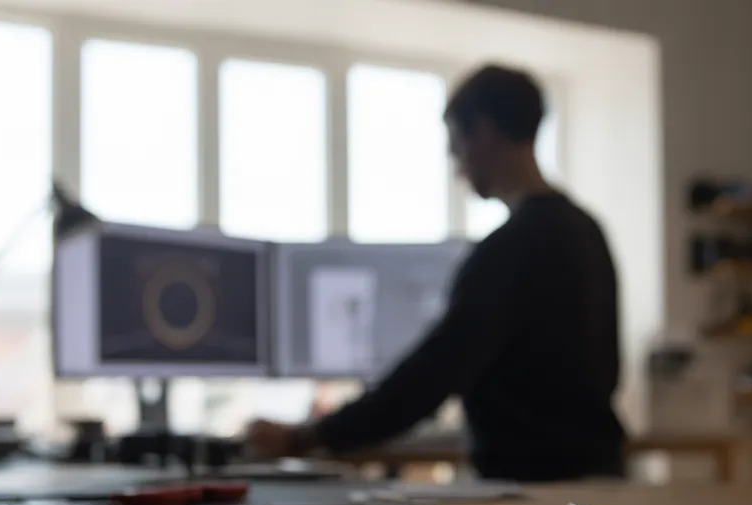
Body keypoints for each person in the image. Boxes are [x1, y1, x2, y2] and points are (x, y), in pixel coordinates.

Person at [244, 64, 626, 482]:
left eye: (454, 143)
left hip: (533, 486)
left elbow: (432, 374)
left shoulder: (509, 248)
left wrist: (307, 437)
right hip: (600, 478)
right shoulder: (588, 230)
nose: (455, 163)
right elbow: (607, 369)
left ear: (482, 130)